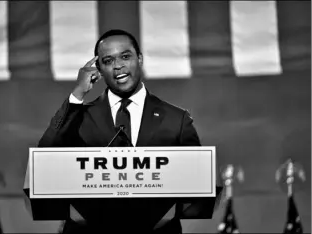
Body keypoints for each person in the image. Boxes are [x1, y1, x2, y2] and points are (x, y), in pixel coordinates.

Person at [38, 29, 219, 234]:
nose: (118, 66)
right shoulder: (79, 116)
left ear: (139, 59)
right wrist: (78, 93)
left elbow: (198, 181)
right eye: (107, 61)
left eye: (125, 56)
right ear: (98, 69)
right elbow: (45, 159)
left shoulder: (176, 119)